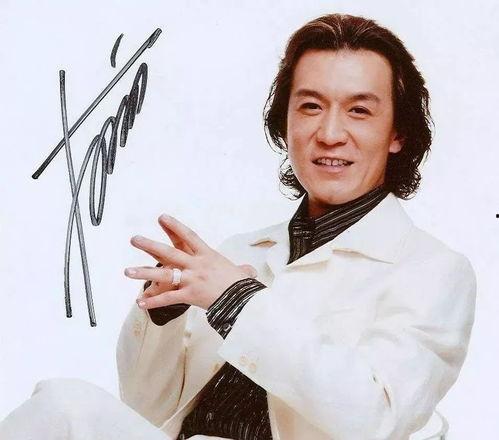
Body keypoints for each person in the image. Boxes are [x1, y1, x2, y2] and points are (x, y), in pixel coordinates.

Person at [0, 12, 476, 440]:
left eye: (359, 110)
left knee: (65, 407)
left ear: (398, 133)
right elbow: (147, 411)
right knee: (62, 406)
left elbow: (375, 419)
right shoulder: (240, 251)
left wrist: (238, 301)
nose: (330, 134)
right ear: (284, 122)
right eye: (310, 106)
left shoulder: (434, 271)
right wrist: (164, 317)